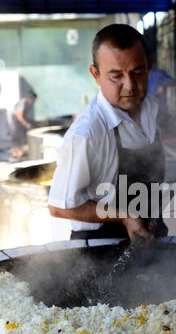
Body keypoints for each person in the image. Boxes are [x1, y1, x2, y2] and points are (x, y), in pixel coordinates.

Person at [48, 24, 167, 241]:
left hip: (150, 239)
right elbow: (58, 206)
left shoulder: (150, 107)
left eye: (137, 72)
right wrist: (124, 216)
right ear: (96, 74)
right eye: (116, 76)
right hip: (100, 251)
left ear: (148, 67)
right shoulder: (87, 133)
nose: (130, 86)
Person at [8, 91, 37, 158]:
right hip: (14, 122)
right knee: (16, 139)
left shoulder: (28, 104)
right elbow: (19, 115)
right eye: (33, 100)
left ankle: (18, 153)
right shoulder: (23, 102)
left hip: (18, 123)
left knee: (21, 138)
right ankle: (15, 154)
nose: (34, 102)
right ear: (31, 98)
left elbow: (24, 116)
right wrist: (26, 124)